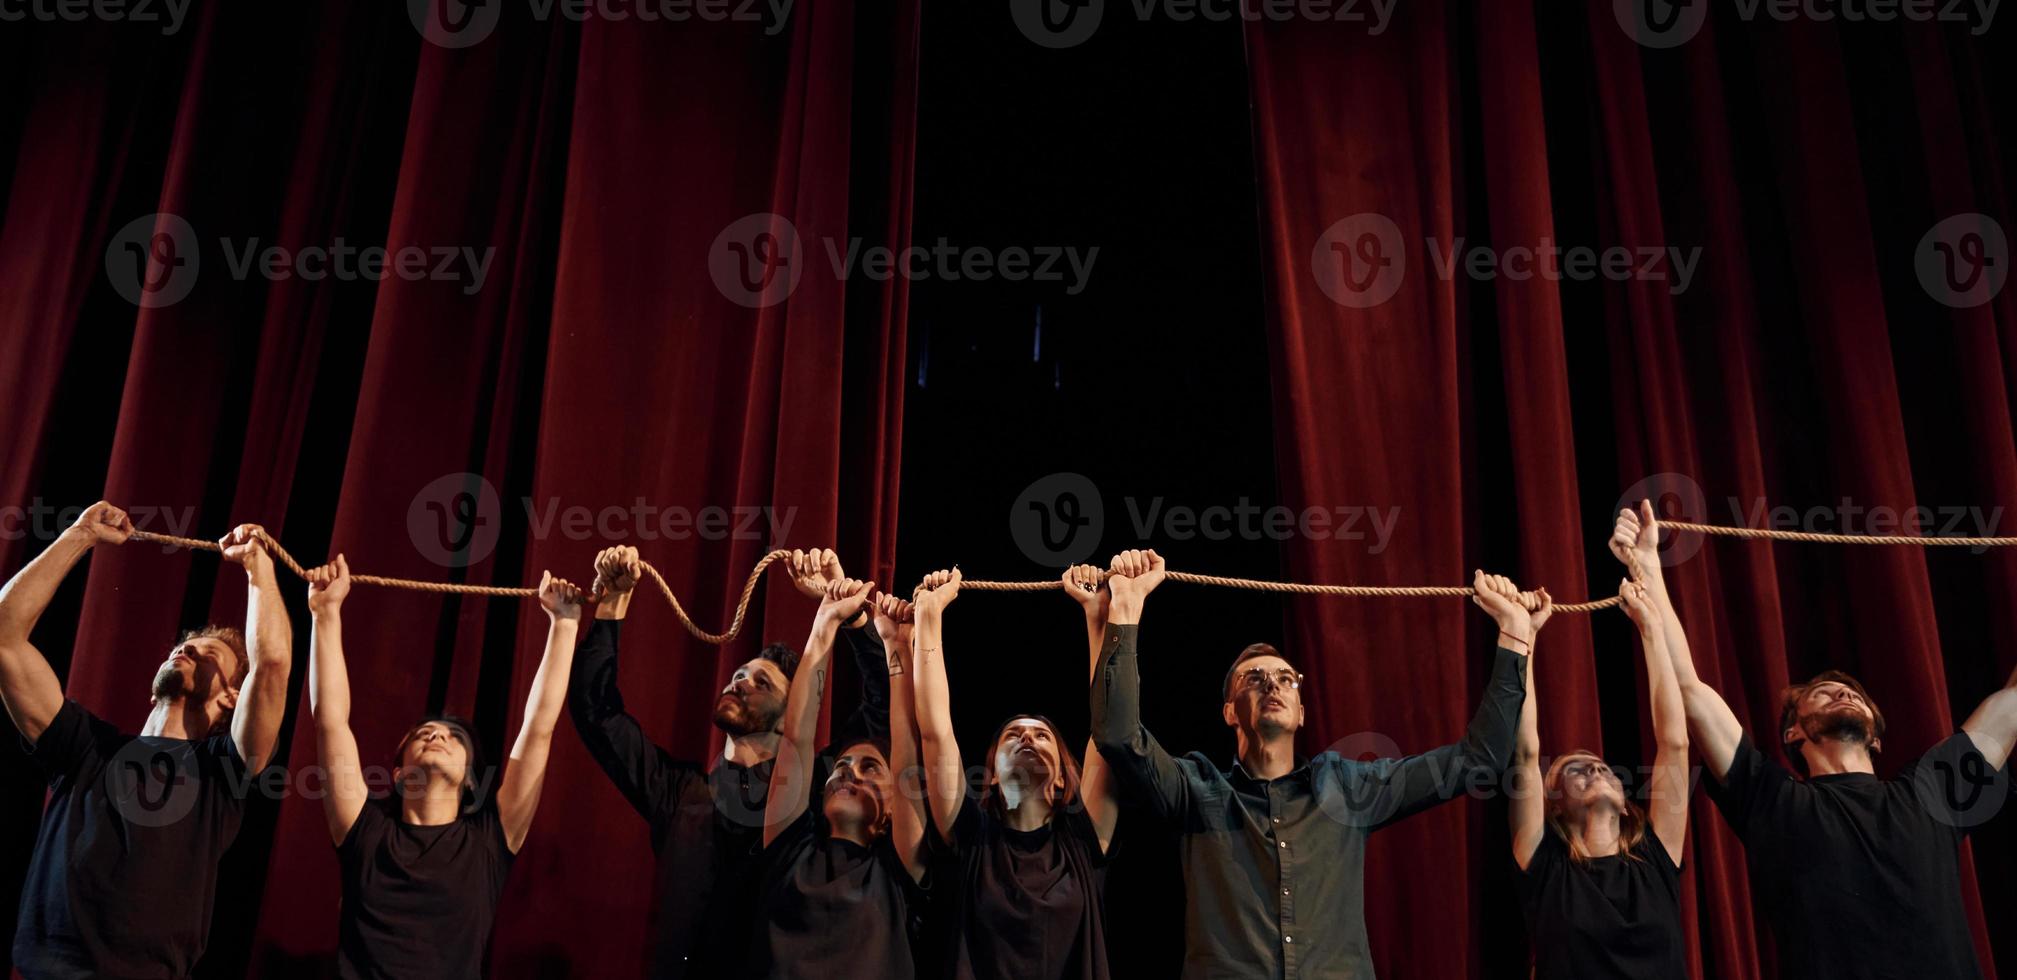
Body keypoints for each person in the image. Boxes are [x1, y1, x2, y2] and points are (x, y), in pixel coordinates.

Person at [1089, 548, 1531, 979]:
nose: (1272, 685)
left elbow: (1478, 759)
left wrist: (1514, 634)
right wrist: (1125, 607)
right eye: (1254, 678)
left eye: (1286, 678)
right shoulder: (1195, 791)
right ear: (1228, 711)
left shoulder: (1347, 789)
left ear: (1302, 712)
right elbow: (1118, 736)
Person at [1632, 497, 2017, 980]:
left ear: (1876, 736)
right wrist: (1649, 566)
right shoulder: (1772, 799)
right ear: (1793, 732)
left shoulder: (1931, 794)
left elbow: (2014, 702)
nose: (1840, 690)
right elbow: (1689, 686)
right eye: (1820, 691)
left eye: (1852, 692)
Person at [569, 546, 893, 978]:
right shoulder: (678, 793)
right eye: (739, 675)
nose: (741, 683)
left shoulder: (819, 785)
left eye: (762, 682)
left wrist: (851, 616)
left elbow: (881, 712)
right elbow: (597, 713)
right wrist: (612, 604)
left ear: (789, 713)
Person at [1, 502, 293, 979]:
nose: (187, 648)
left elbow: (274, 665)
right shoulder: (85, 746)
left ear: (231, 699)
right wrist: (79, 535)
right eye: (185, 645)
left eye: (207, 653)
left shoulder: (223, 770)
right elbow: (4, 637)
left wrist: (258, 570)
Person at [303, 554, 584, 980]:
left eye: (452, 738)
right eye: (421, 735)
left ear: (471, 779)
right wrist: (325, 614)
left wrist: (563, 626)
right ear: (397, 775)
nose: (436, 737)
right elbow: (330, 720)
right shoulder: (365, 830)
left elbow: (538, 729)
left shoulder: (490, 840)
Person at [909, 565, 1119, 980]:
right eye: (1013, 735)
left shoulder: (1083, 838)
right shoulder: (970, 836)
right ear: (990, 775)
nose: (1027, 738)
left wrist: (1098, 616)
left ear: (1061, 776)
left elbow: (1108, 729)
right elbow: (935, 732)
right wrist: (929, 618)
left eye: (1042, 736)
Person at [1506, 528, 1689, 979]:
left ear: (1627, 800)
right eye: (1575, 770)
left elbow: (1675, 743)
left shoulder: (1656, 859)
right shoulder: (1544, 864)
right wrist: (1524, 640)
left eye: (1603, 767)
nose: (1594, 769)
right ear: (1554, 804)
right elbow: (1527, 752)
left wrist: (1651, 631)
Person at [751, 575, 928, 979]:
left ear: (890, 810)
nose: (849, 772)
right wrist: (824, 622)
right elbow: (796, 738)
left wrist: (898, 648)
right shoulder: (789, 849)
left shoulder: (900, 870)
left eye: (869, 768)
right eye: (843, 766)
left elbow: (905, 757)